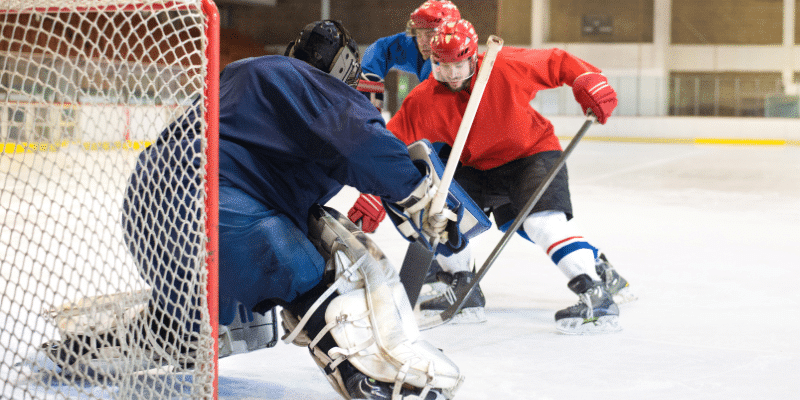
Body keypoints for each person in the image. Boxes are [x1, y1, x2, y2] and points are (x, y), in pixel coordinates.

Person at [121, 20, 469, 399]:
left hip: (143, 210)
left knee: (238, 256)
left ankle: (174, 328)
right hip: (215, 211)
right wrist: (419, 193)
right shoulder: (311, 85)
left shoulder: (238, 73)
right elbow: (361, 143)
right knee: (318, 264)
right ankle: (370, 376)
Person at [386, 19, 636, 334]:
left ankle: (595, 294)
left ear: (472, 57)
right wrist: (371, 191)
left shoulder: (503, 66)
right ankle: (464, 289)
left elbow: (558, 62)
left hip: (531, 155)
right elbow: (387, 146)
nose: (452, 74)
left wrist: (588, 79)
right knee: (439, 218)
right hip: (476, 167)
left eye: (459, 65)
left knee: (541, 223)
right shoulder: (423, 99)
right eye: (443, 66)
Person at [348, 0, 461, 234]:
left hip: (465, 148)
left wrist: (377, 190)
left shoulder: (444, 77)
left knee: (445, 213)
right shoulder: (420, 49)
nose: (423, 41)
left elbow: (413, 130)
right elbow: (380, 49)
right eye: (419, 33)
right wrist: (370, 92)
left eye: (430, 34)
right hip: (443, 138)